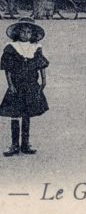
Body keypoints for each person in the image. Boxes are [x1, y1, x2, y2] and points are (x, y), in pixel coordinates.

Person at [0, 21, 49, 156]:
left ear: (32, 34)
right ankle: (14, 145)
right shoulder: (11, 47)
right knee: (15, 113)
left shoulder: (36, 47)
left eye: (28, 32)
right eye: (22, 32)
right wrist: (10, 84)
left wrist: (44, 80)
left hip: (31, 85)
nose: (25, 35)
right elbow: (8, 68)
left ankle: (25, 144)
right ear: (17, 33)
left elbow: (41, 65)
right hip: (16, 85)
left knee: (27, 113)